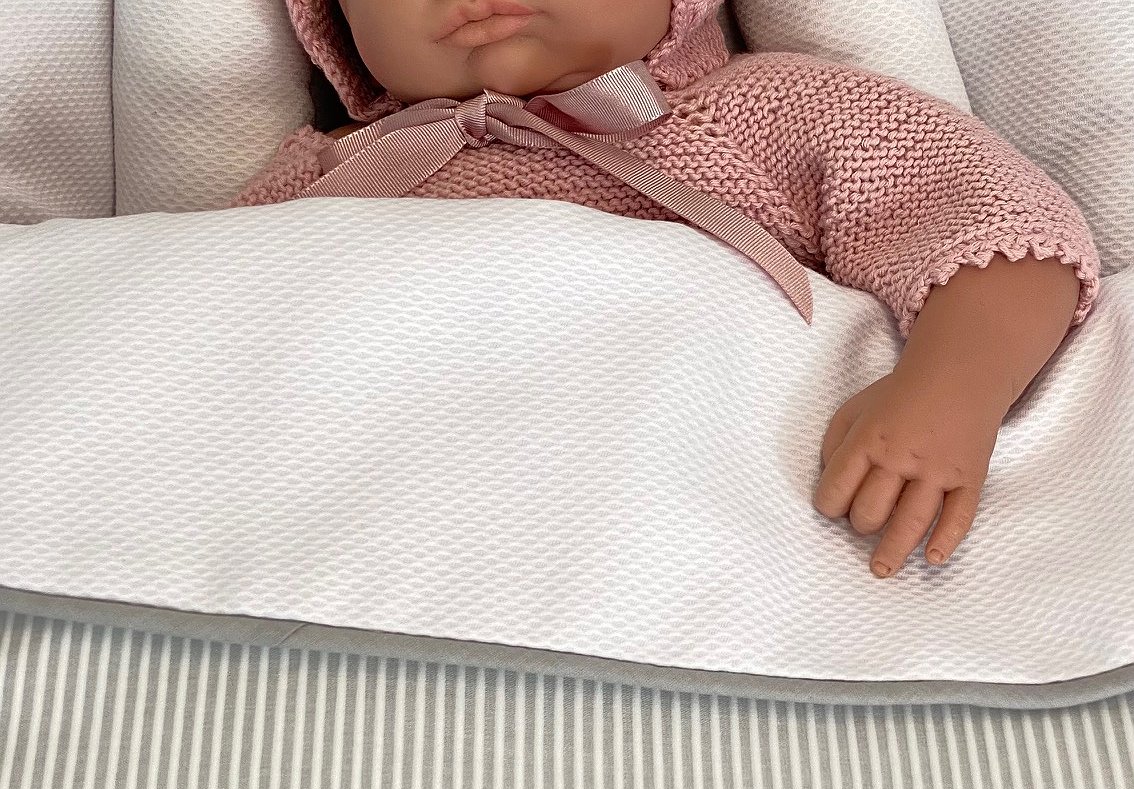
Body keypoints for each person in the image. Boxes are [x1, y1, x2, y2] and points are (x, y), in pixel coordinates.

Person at [230, 0, 1101, 578]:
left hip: (718, 533)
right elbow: (197, 325)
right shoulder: (330, 180)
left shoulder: (762, 111)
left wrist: (952, 391)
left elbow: (999, 225)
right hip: (408, 538)